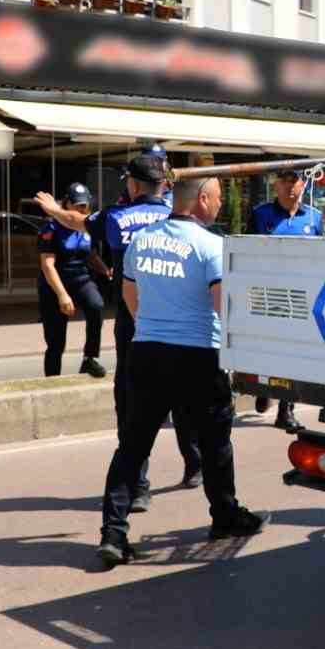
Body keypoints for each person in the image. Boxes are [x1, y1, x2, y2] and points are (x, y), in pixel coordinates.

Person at [97, 174, 263, 567]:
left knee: (133, 446)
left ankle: (113, 534)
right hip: (198, 356)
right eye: (219, 196)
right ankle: (224, 516)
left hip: (147, 352)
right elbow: (224, 307)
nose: (221, 204)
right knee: (215, 442)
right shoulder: (211, 246)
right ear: (201, 199)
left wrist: (156, 329)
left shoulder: (142, 240)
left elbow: (130, 297)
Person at [93, 146, 203, 507]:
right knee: (185, 393)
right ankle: (196, 466)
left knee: (134, 401)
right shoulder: (179, 214)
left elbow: (84, 224)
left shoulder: (117, 216)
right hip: (178, 314)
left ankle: (137, 486)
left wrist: (53, 212)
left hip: (135, 319)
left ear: (134, 182)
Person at [249, 168, 322, 430]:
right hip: (268, 294)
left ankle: (286, 410)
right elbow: (247, 252)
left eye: (295, 181)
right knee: (266, 347)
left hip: (301, 297)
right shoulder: (261, 215)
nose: (291, 186)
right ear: (275, 185)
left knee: (295, 354)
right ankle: (263, 387)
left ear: (302, 185)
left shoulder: (314, 217)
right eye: (285, 181)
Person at [31, 183, 109, 378]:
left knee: (96, 306)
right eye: (78, 205)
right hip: (54, 285)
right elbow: (47, 265)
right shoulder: (51, 226)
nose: (83, 210)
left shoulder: (85, 225)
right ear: (66, 204)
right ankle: (52, 380)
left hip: (80, 279)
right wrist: (62, 295)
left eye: (86, 205)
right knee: (56, 343)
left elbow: (90, 255)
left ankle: (89, 359)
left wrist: (105, 269)